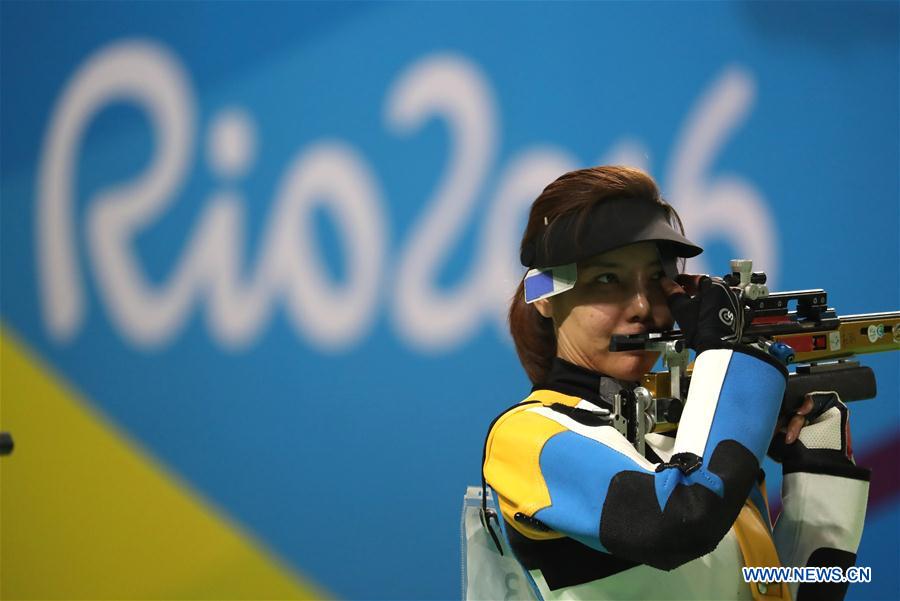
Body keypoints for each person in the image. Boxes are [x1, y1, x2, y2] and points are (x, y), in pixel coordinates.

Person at [481, 166, 870, 600]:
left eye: (655, 280)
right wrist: (736, 380)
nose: (643, 306)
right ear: (547, 298)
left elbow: (794, 592)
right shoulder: (527, 437)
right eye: (607, 279)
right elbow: (678, 525)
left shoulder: (691, 441)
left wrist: (820, 471)